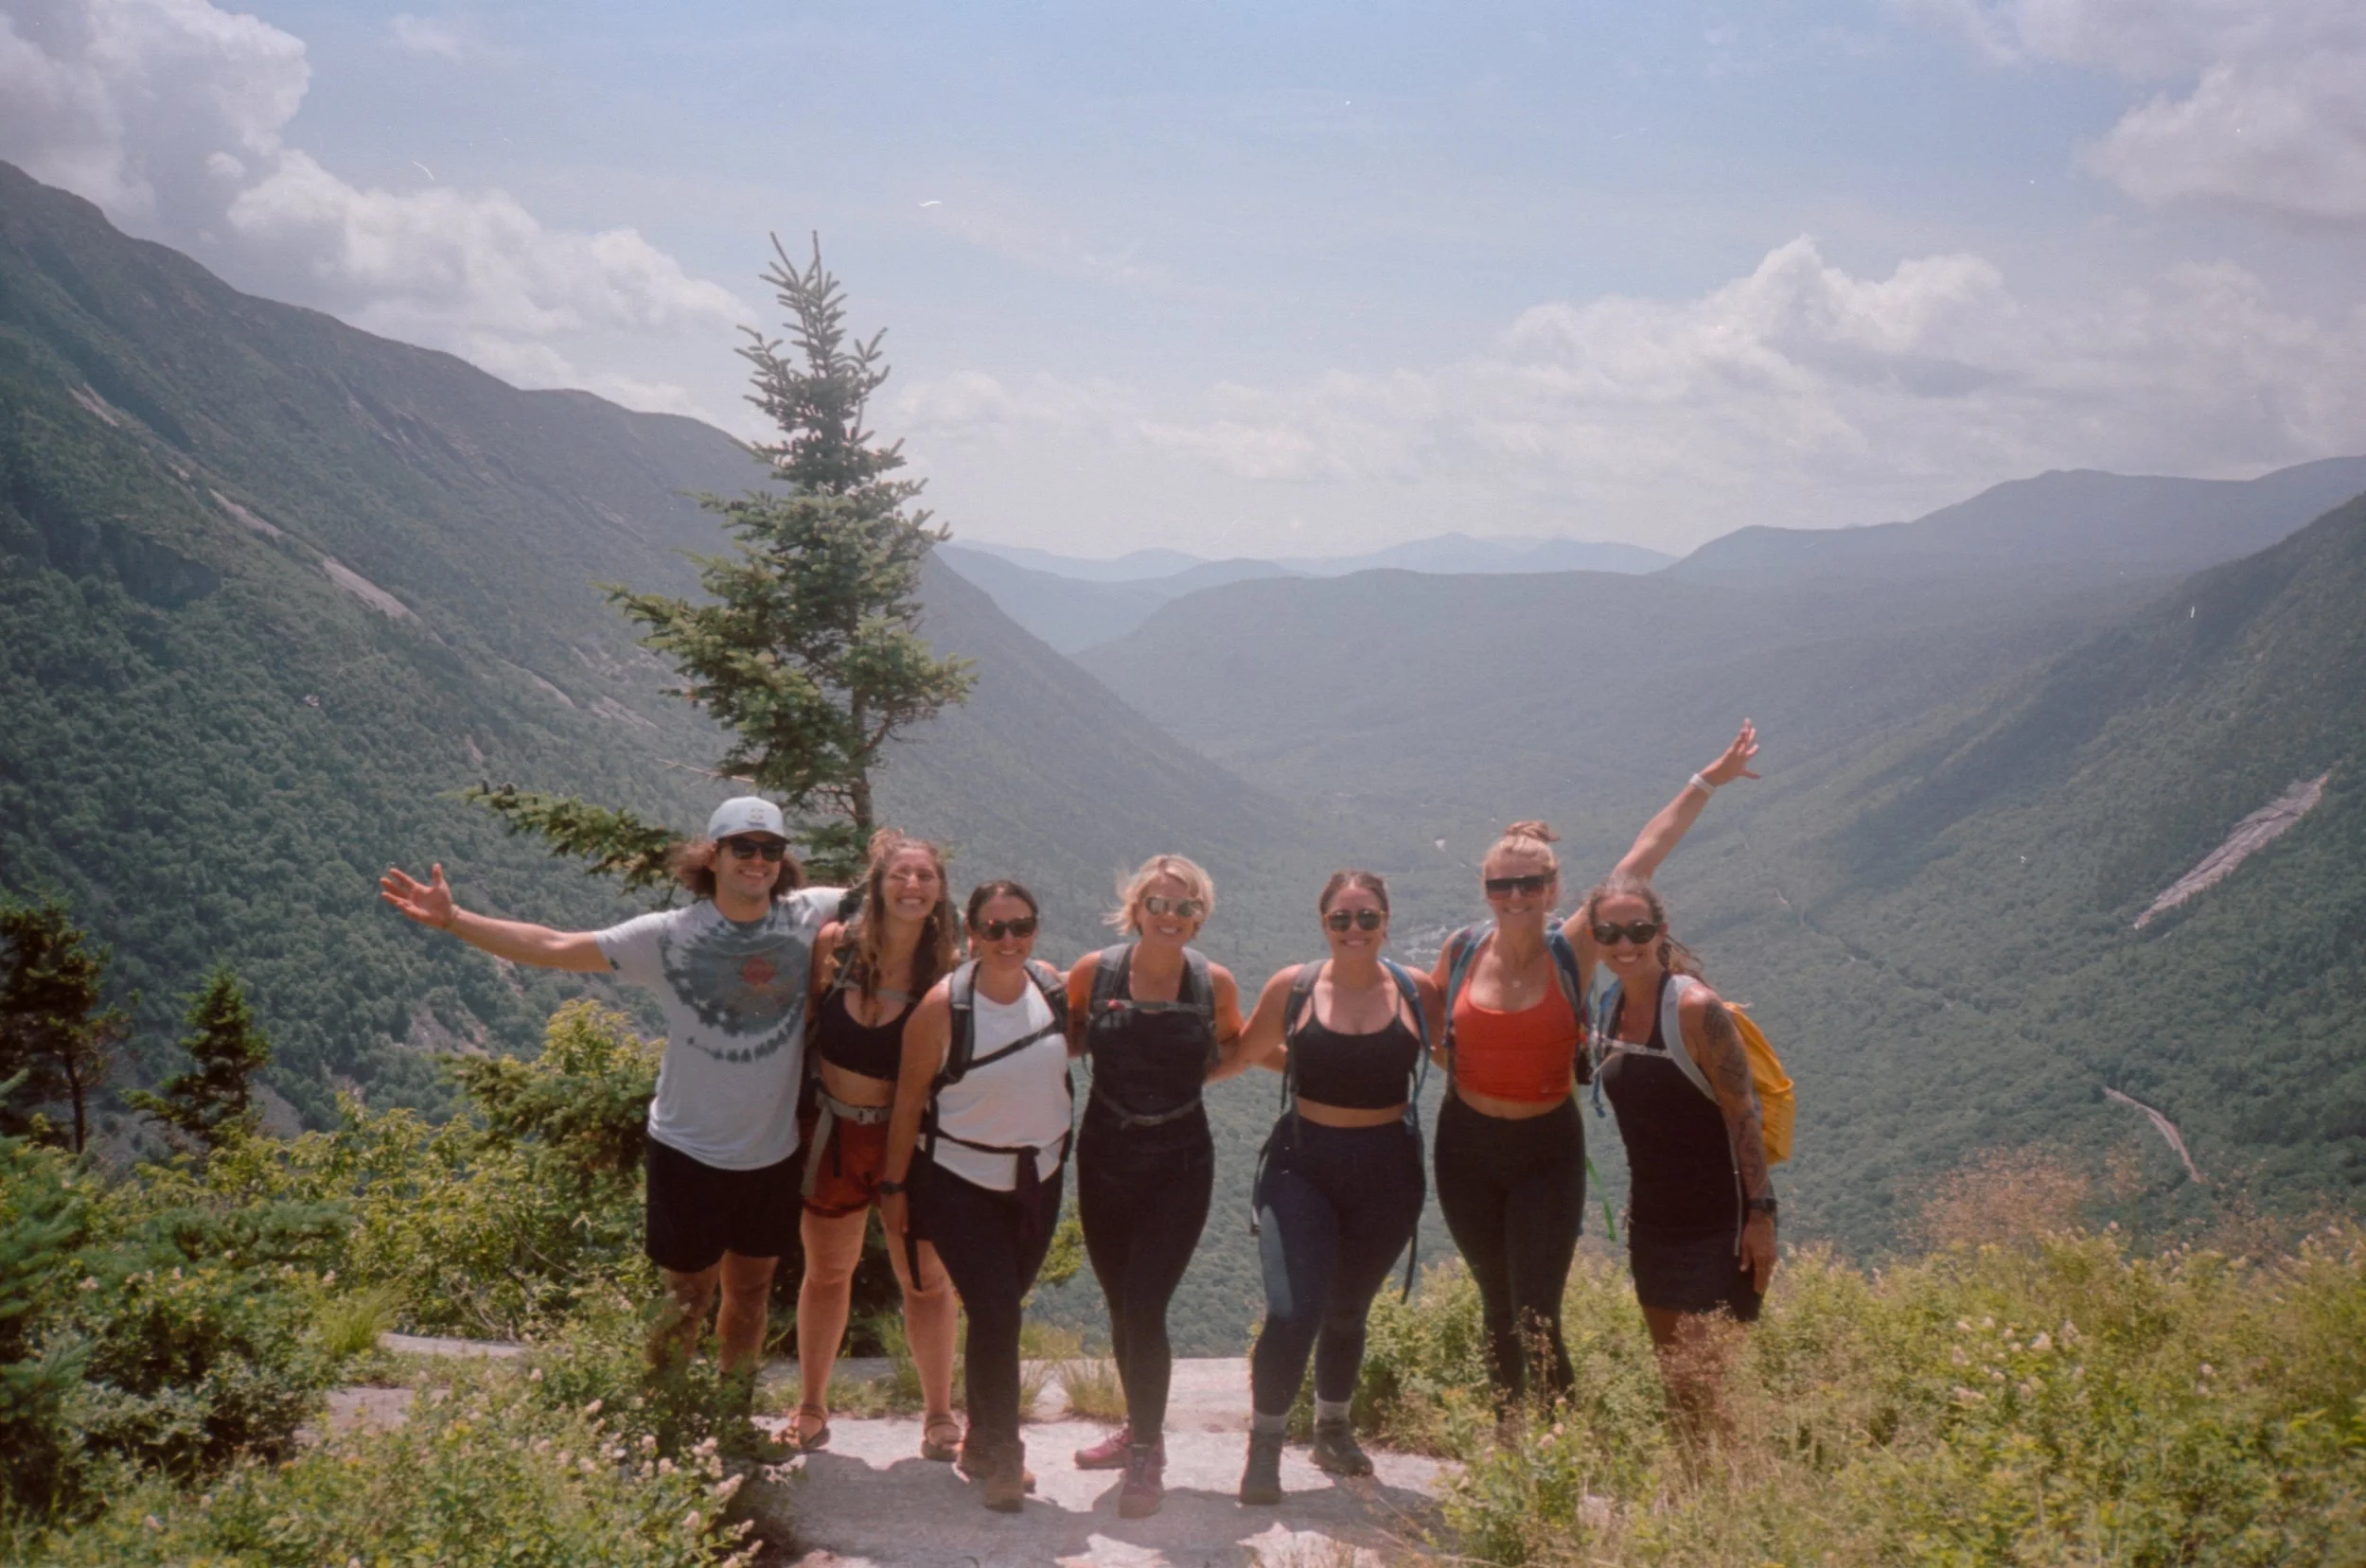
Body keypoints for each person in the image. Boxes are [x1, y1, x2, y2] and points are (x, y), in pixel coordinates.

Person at [378, 797, 839, 1437]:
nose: (758, 860)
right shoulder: (668, 934)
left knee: (752, 1295)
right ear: (713, 855)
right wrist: (455, 919)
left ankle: (732, 1425)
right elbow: (555, 945)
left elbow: (908, 897)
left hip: (772, 1151)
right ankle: (668, 1428)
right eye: (743, 847)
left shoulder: (809, 914)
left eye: (770, 849)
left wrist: (1006, 955)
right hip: (688, 1150)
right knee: (684, 1300)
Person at [1432, 723, 1758, 1412]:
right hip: (1463, 1147)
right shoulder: (1461, 949)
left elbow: (1645, 854)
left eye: (1529, 883)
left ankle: (1562, 1446)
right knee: (1495, 1304)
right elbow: (1432, 1029)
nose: (1514, 895)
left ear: (1553, 889)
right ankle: (1508, 1442)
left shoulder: (1572, 948)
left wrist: (1707, 781)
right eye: (1501, 884)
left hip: (1545, 1148)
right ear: (1486, 889)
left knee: (1537, 1311)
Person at [1232, 870, 1445, 1506]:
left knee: (1349, 1308)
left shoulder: (1417, 989)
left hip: (1387, 1168)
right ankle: (1265, 1446)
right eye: (1341, 918)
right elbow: (1247, 1050)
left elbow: (1461, 1056)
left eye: (1367, 917)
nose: (1355, 929)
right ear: (1323, 923)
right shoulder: (1292, 987)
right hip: (1302, 1162)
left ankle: (1332, 1429)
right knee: (1292, 1309)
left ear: (1386, 921)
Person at [1063, 855, 1247, 1519]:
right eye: (1159, 904)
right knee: (1119, 1305)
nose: (1170, 916)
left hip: (1180, 1162)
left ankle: (1146, 1453)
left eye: (1184, 906)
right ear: (1135, 907)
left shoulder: (1212, 983)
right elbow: (1061, 1036)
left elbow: (1232, 1046)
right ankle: (1140, 1427)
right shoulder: (1094, 972)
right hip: (1105, 1156)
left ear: (1200, 916)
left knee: (1145, 1305)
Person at [880, 880, 1073, 1512]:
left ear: (1036, 929)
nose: (1008, 940)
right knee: (999, 1312)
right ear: (971, 932)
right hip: (959, 1184)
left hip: (1036, 1183)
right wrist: (894, 1188)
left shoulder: (1049, 987)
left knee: (999, 1310)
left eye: (1020, 925)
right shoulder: (943, 1008)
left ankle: (980, 1438)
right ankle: (1006, 1458)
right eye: (994, 928)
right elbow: (908, 1103)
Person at [1583, 875, 1775, 1455]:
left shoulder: (1695, 1008)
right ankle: (1698, 1505)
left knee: (1707, 1386)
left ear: (1660, 931)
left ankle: (1737, 1508)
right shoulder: (1609, 1009)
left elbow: (1746, 1115)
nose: (1624, 943)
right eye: (1609, 932)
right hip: (1654, 1226)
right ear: (1594, 937)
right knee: (1677, 1385)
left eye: (1638, 930)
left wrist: (1762, 1216)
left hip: (1719, 1226)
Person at [790, 829, 962, 1460]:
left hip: (910, 1143)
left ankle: (940, 1414)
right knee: (827, 1272)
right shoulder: (833, 948)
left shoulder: (946, 970)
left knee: (924, 1279)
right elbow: (808, 1024)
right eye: (901, 875)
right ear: (877, 883)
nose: (912, 886)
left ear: (940, 892)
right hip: (834, 1133)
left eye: (925, 876)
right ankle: (810, 1405)